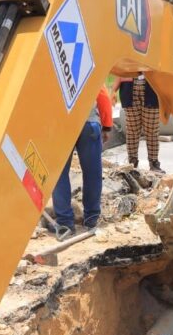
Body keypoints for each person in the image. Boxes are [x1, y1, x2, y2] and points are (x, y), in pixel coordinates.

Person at [51, 86, 112, 236]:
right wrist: (107, 126)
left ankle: (65, 222)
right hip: (89, 124)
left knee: (59, 174)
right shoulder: (88, 72)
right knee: (92, 173)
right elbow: (103, 96)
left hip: (61, 125)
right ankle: (91, 218)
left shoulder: (52, 73)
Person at [113, 73, 161, 172]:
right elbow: (121, 70)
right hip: (129, 88)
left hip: (152, 87)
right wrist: (113, 90)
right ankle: (132, 163)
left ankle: (154, 163)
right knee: (132, 130)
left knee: (152, 130)